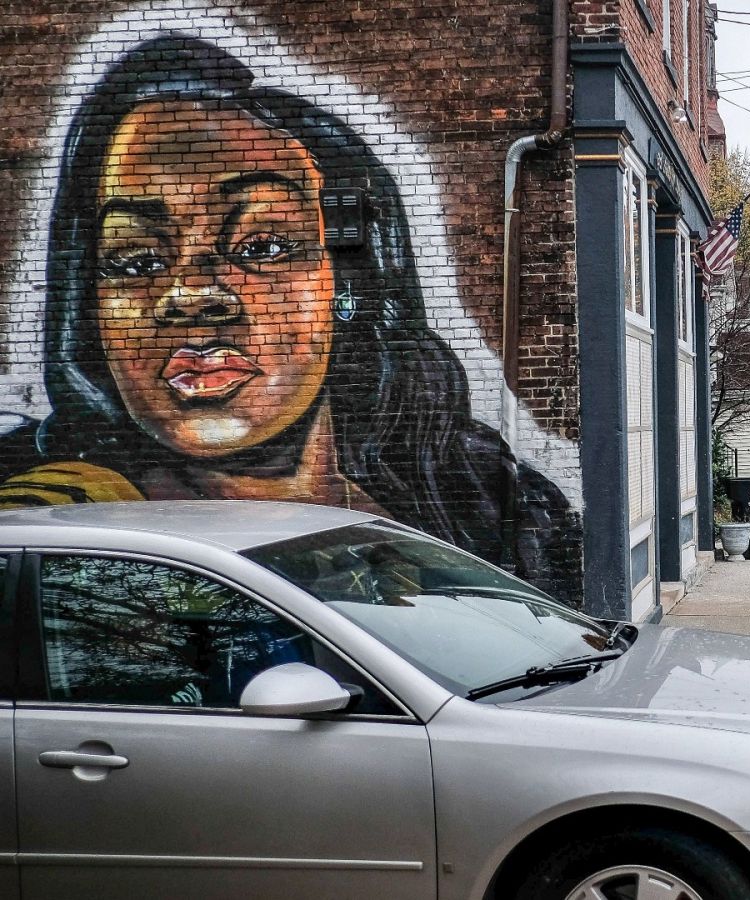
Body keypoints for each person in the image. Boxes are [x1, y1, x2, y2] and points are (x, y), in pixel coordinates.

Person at [0, 35, 576, 598]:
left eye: (264, 246)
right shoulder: (53, 527)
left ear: (346, 285)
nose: (194, 294)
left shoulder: (484, 501)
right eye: (137, 259)